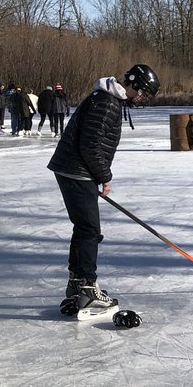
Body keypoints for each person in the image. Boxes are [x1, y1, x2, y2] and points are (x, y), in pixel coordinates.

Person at [47, 63, 160, 313]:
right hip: (77, 170)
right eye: (141, 92)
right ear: (131, 83)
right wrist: (104, 177)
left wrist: (97, 176)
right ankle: (88, 287)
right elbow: (90, 145)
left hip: (74, 170)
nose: (141, 98)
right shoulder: (107, 103)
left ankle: (77, 283)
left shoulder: (108, 100)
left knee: (84, 228)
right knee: (89, 230)